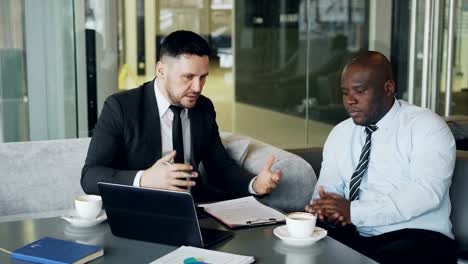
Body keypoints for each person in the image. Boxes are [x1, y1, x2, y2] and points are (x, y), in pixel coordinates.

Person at [81, 30, 282, 202]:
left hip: (195, 209)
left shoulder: (203, 108)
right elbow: (90, 176)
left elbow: (219, 166)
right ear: (161, 70)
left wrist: (255, 184)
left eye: (203, 77)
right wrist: (144, 179)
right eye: (188, 77)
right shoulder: (121, 108)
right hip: (139, 208)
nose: (197, 87)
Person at [305, 51, 457, 263]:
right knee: (299, 248)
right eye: (344, 92)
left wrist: (354, 212)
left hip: (417, 235)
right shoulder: (341, 133)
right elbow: (327, 190)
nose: (350, 100)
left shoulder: (427, 127)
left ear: (388, 88)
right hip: (356, 233)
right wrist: (326, 210)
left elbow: (426, 192)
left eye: (359, 91)